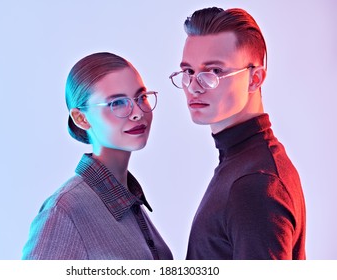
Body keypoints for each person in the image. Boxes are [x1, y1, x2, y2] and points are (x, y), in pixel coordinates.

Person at [169, 7, 306, 259]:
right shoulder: (243, 164)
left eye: (214, 72)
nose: (194, 87)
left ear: (255, 79)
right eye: (188, 71)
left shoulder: (254, 183)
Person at [22, 52, 173, 260]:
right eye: (117, 103)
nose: (137, 111)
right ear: (81, 118)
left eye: (141, 97)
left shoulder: (128, 200)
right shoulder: (65, 211)